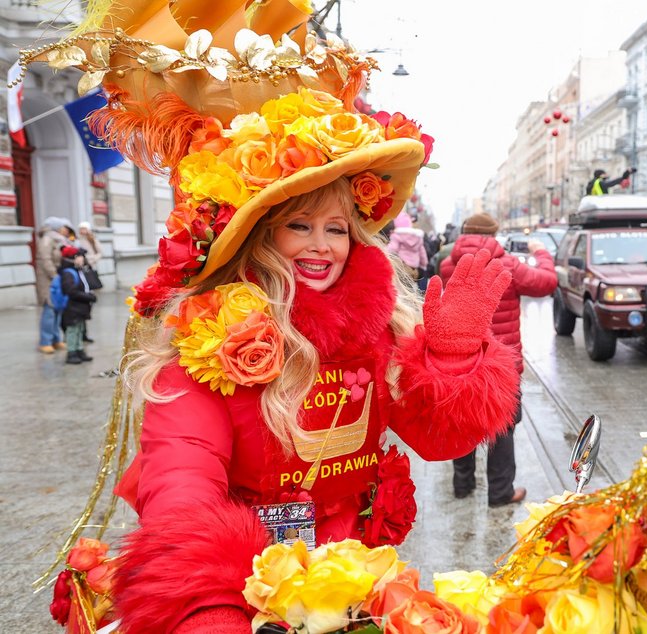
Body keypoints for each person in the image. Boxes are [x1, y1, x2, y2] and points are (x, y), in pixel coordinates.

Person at [34, 20, 523, 632]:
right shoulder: (206, 342)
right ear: (260, 235)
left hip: (357, 581)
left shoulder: (378, 328)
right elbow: (182, 482)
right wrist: (209, 610)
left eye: (337, 227)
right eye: (299, 225)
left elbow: (438, 442)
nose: (322, 246)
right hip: (244, 593)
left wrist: (452, 359)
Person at [441, 212, 557, 506]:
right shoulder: (508, 266)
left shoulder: (448, 265)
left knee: (462, 423)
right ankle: (501, 492)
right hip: (502, 366)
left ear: (465, 233)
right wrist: (541, 253)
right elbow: (546, 282)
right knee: (502, 427)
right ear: (494, 235)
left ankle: (462, 485)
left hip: (461, 362)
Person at [35, 217, 74, 353]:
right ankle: (45, 341)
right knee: (49, 310)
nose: (66, 230)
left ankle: (56, 339)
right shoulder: (47, 238)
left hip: (57, 278)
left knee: (58, 309)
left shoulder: (58, 239)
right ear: (56, 227)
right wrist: (54, 274)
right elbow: (45, 259)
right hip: (48, 280)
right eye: (64, 227)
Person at [57, 245, 96, 364]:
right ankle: (71, 352)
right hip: (72, 308)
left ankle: (79, 350)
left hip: (80, 307)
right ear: (73, 258)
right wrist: (88, 297)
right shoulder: (68, 273)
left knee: (79, 328)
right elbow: (71, 291)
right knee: (72, 330)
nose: (83, 258)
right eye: (80, 256)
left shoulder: (78, 270)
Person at [387, 210, 428, 289]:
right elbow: (422, 253)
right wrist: (423, 265)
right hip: (414, 269)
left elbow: (392, 249)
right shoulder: (417, 237)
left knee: (401, 288)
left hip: (403, 267)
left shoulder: (397, 235)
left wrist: (383, 250)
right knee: (410, 288)